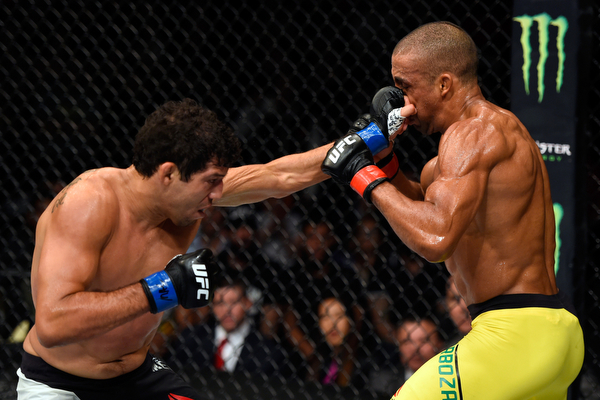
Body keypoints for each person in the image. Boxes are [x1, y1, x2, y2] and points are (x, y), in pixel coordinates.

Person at [321, 22, 585, 399]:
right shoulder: (485, 136)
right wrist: (383, 162)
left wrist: (362, 175)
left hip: (514, 334)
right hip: (548, 331)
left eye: (406, 87)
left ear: (444, 84)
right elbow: (421, 205)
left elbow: (436, 237)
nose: (403, 103)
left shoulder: (471, 133)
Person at [16, 98, 338, 400]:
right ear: (168, 173)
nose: (219, 195)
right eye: (212, 181)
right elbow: (53, 324)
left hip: (135, 376)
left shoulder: (183, 199)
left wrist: (367, 138)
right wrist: (162, 288)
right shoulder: (89, 203)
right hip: (58, 382)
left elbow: (278, 175)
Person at [165, 278, 284, 376]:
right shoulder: (190, 339)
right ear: (211, 307)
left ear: (247, 303)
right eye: (220, 303)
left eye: (233, 302)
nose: (226, 310)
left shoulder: (268, 352)